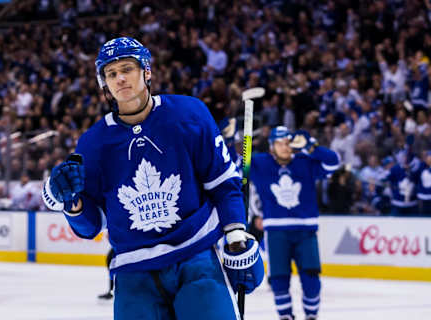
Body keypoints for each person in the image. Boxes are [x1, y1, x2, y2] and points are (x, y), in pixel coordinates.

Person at [41, 37, 263, 320]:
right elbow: (91, 225)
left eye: (127, 69)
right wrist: (71, 206)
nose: (120, 78)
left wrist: (235, 234)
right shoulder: (93, 144)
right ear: (104, 84)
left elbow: (222, 183)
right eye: (111, 73)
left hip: (195, 259)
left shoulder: (188, 114)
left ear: (146, 71)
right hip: (134, 274)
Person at [249, 126, 339, 320]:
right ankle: (286, 317)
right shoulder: (259, 164)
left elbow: (333, 162)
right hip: (276, 232)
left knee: (311, 280)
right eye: (280, 143)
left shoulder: (305, 162)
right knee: (279, 280)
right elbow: (234, 166)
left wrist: (312, 147)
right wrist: (232, 142)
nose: (285, 147)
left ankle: (311, 316)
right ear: (272, 146)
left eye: (288, 143)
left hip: (305, 231)